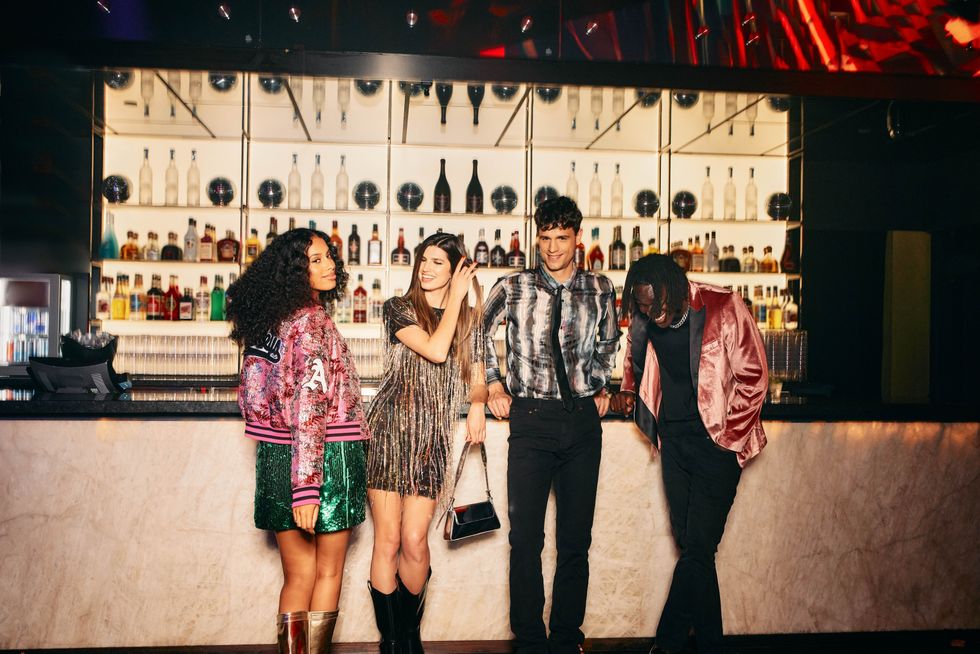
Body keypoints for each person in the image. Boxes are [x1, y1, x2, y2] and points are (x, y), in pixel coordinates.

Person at [610, 254, 768, 654]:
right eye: (642, 306)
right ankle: (710, 644)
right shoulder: (646, 316)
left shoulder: (721, 306)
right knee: (695, 550)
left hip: (718, 443)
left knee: (697, 547)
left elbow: (754, 377)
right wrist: (630, 392)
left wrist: (729, 442)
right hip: (674, 443)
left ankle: (667, 642)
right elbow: (635, 357)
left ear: (676, 289)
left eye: (656, 304)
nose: (651, 313)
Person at [483, 196, 620, 654]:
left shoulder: (600, 287)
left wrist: (599, 384)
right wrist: (492, 386)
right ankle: (528, 642)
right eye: (545, 238)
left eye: (562, 238)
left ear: (578, 238)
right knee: (525, 540)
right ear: (537, 237)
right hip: (531, 421)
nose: (553, 248)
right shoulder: (514, 286)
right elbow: (475, 332)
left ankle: (565, 640)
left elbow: (609, 341)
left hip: (582, 424)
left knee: (575, 542)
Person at [229, 228, 369, 654]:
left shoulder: (267, 321)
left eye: (329, 257)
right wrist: (307, 486)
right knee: (326, 573)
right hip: (324, 457)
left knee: (297, 576)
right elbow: (311, 403)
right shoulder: (312, 322)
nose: (329, 265)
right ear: (294, 271)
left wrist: (280, 443)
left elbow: (250, 395)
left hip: (276, 455)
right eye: (316, 259)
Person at [365, 232, 486, 654]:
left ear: (454, 270)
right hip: (389, 432)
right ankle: (394, 641)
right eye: (424, 260)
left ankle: (409, 633)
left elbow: (477, 370)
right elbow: (436, 350)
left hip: (431, 438)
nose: (427, 268)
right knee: (389, 541)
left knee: (416, 540)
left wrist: (477, 404)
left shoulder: (470, 317)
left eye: (438, 262)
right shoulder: (398, 308)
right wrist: (457, 295)